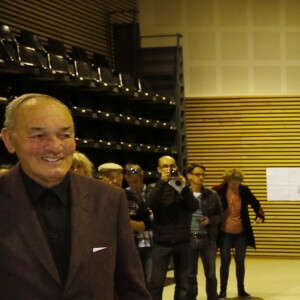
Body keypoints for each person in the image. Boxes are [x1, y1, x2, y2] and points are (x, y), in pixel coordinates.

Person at [0, 93, 151, 300]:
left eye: (65, 135)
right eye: (38, 135)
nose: (55, 147)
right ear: (9, 140)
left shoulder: (109, 200)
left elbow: (131, 289)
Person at [145, 155, 199, 300]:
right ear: (158, 169)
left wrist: (183, 187)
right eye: (165, 166)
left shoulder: (181, 186)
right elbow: (149, 204)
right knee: (156, 283)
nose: (169, 169)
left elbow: (194, 206)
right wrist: (162, 182)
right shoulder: (154, 186)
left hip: (183, 242)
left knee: (183, 285)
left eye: (172, 166)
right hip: (161, 243)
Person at [212, 168, 265, 299]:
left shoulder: (245, 190)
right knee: (225, 261)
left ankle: (241, 290)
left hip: (241, 231)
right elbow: (210, 206)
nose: (235, 183)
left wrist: (259, 215)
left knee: (240, 261)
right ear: (227, 180)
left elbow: (256, 203)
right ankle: (222, 290)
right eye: (232, 180)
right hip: (225, 231)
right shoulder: (218, 190)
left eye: (238, 180)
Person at [186, 164, 223, 300]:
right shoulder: (183, 194)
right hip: (188, 238)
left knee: (211, 274)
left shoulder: (212, 194)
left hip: (208, 238)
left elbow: (221, 215)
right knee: (190, 274)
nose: (201, 177)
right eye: (198, 174)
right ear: (189, 176)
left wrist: (210, 221)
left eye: (203, 175)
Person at [124, 162, 154, 289]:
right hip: (133, 243)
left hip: (152, 242)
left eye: (135, 181)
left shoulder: (152, 192)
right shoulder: (124, 194)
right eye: (130, 182)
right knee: (135, 280)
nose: (133, 185)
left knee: (151, 279)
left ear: (142, 177)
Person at [98, 162, 147, 233]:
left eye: (118, 176)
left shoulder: (132, 197)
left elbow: (147, 223)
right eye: (110, 177)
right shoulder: (93, 197)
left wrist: (125, 222)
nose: (115, 181)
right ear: (101, 178)